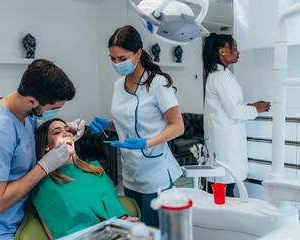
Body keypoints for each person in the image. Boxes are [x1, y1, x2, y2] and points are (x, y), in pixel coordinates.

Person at [0, 59, 85, 240]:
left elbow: (27, 135)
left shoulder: (23, 114)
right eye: (53, 109)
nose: (55, 113)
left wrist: (65, 128)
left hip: (21, 220)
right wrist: (44, 167)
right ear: (32, 101)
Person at [90, 25, 185, 227]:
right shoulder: (118, 85)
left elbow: (178, 126)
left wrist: (147, 143)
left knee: (155, 231)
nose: (116, 63)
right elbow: (129, 123)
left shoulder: (158, 83)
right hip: (131, 172)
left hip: (156, 172)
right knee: (136, 229)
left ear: (138, 53)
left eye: (122, 58)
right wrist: (107, 124)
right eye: (113, 59)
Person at [31, 118, 138, 239]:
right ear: (46, 146)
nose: (66, 133)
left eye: (68, 130)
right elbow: (59, 232)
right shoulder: (46, 185)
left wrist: (125, 221)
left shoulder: (96, 171)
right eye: (57, 132)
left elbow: (116, 210)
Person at [202, 33, 271, 197]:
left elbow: (229, 106)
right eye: (234, 48)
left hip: (223, 142)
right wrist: (257, 109)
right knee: (224, 191)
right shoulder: (220, 77)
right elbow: (235, 111)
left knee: (224, 188)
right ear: (222, 51)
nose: (238, 52)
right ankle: (220, 221)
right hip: (225, 145)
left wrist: (252, 105)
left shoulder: (221, 74)